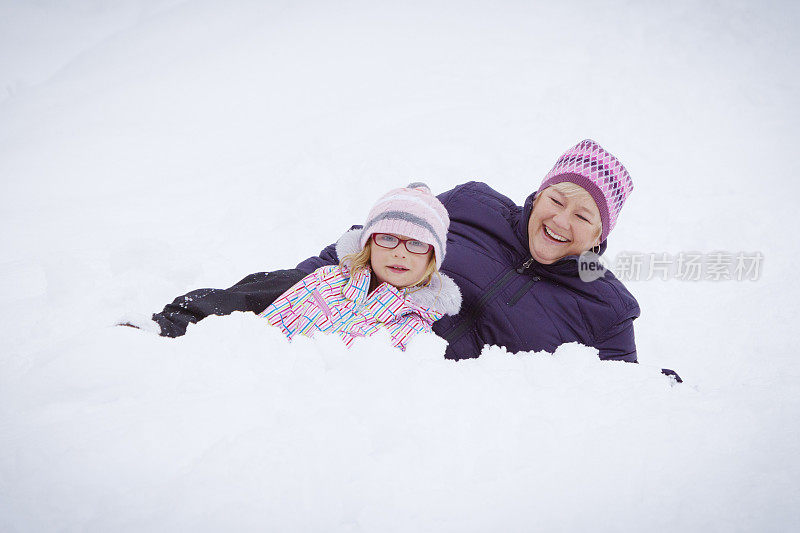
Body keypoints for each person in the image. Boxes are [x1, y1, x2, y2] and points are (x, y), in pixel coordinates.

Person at [129, 139, 680, 380]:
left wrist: (665, 389)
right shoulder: (474, 204)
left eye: (583, 217)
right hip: (373, 306)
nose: (561, 220)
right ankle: (171, 325)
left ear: (601, 236)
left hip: (425, 375)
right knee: (305, 286)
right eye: (557, 199)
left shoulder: (606, 307)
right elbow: (395, 231)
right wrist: (325, 268)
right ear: (539, 194)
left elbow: (618, 393)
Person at [259, 184, 461, 350]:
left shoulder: (416, 332)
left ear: (432, 258)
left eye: (416, 243)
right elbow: (261, 330)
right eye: (388, 238)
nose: (400, 252)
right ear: (369, 244)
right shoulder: (324, 279)